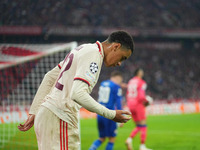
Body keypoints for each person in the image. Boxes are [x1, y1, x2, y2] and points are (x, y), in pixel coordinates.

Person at [18, 31, 134, 150]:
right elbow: (78, 94)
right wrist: (111, 114)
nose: (120, 63)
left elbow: (49, 77)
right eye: (122, 57)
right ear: (116, 46)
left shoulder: (84, 49)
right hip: (60, 116)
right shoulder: (94, 55)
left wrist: (35, 110)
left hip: (49, 114)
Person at [89, 71, 124, 150]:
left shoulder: (103, 84)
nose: (120, 82)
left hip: (100, 113)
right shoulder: (116, 86)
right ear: (117, 78)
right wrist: (121, 117)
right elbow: (118, 102)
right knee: (112, 138)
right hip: (109, 114)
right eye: (120, 80)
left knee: (102, 138)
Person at [125, 68, 153, 150]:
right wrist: (147, 101)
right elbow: (141, 96)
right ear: (139, 73)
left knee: (139, 125)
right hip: (138, 105)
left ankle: (129, 140)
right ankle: (142, 146)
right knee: (144, 125)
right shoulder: (141, 82)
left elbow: (127, 94)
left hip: (130, 104)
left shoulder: (130, 81)